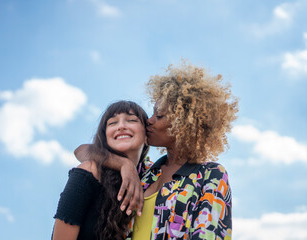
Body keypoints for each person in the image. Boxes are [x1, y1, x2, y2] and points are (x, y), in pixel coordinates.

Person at [76, 61, 239, 240]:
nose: (149, 121)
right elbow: (82, 151)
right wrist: (124, 165)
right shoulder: (144, 172)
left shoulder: (210, 175)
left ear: (183, 124)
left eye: (159, 116)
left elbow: (210, 235)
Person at [52, 100, 149, 240]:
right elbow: (80, 150)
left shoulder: (150, 176)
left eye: (131, 120)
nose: (121, 126)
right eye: (112, 123)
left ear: (146, 136)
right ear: (105, 137)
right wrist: (124, 164)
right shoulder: (89, 172)